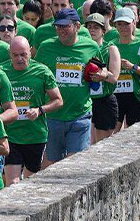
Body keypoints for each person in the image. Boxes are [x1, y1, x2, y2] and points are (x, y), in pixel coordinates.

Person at [34, 9, 101, 167]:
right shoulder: (45, 47)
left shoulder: (91, 47)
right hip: (53, 116)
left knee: (75, 162)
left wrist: (101, 75)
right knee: (52, 161)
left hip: (80, 114)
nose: (61, 30)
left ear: (77, 26)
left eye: (65, 26)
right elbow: (36, 74)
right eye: (58, 26)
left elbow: (100, 69)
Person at [0, 35, 60, 183]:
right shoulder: (1, 72)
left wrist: (40, 110)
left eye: (23, 54)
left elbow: (58, 100)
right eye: (15, 55)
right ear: (10, 54)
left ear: (30, 52)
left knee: (29, 180)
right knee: (13, 182)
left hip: (35, 135)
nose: (20, 59)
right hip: (10, 135)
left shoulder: (42, 71)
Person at [82, 13, 123, 144]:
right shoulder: (82, 49)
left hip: (104, 100)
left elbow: (114, 78)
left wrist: (104, 75)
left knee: (102, 144)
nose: (92, 30)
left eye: (96, 27)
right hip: (84, 100)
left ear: (103, 31)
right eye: (89, 27)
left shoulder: (110, 48)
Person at [109, 7, 140, 130]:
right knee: (113, 134)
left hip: (137, 95)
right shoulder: (111, 45)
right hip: (116, 94)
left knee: (135, 133)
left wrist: (133, 67)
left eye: (126, 24)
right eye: (119, 24)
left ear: (134, 23)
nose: (123, 27)